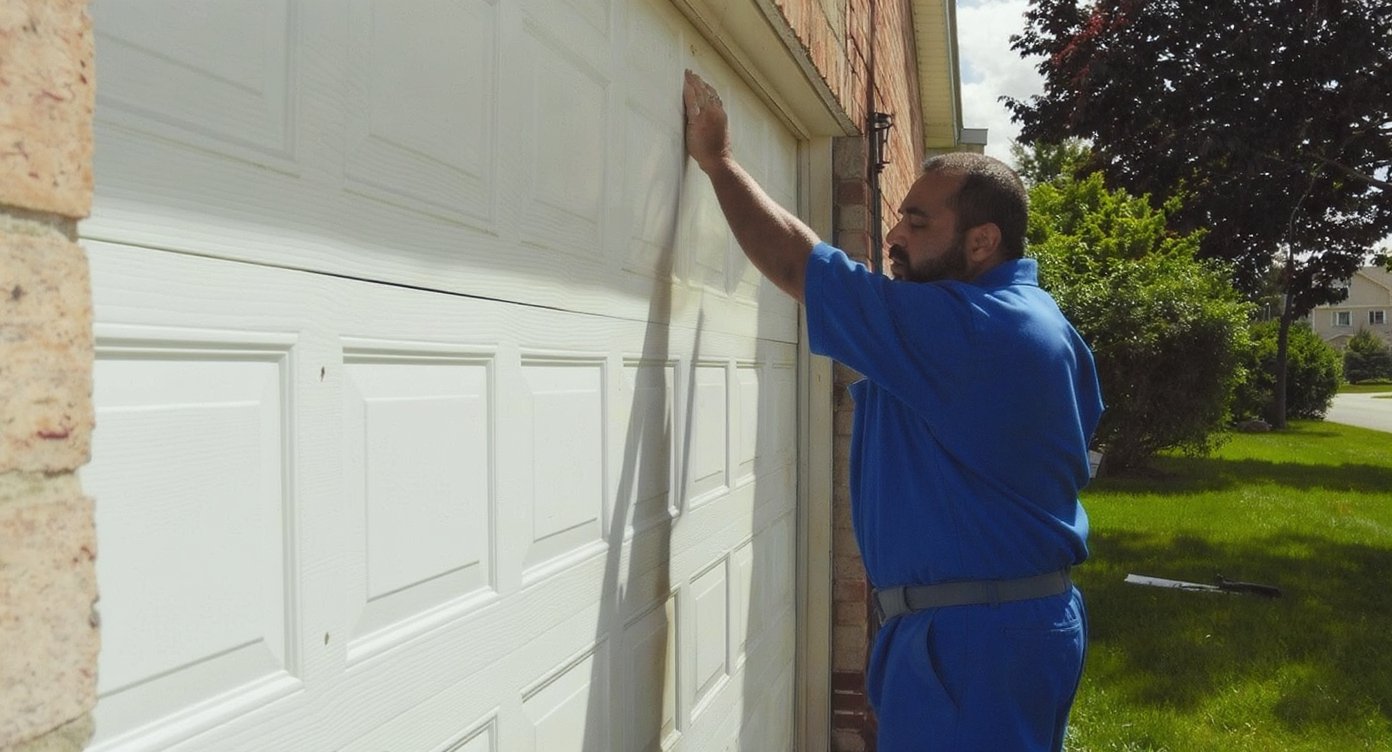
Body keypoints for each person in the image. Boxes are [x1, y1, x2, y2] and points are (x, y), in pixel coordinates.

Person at [682, 70, 1104, 751]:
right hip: (984, 628)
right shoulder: (1045, 324)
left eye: (918, 221)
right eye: (898, 216)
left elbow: (801, 266)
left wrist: (719, 161)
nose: (896, 234)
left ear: (981, 241)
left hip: (972, 643)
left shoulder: (971, 327)